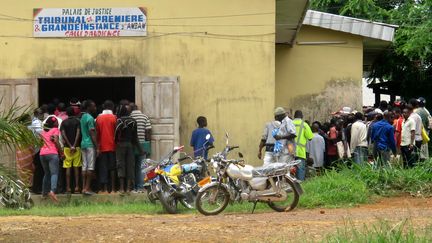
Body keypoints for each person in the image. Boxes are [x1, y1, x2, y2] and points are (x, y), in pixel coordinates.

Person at [115, 104, 144, 194]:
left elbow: (115, 136)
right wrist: (141, 150)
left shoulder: (118, 121)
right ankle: (128, 188)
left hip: (120, 145)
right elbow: (135, 138)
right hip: (130, 146)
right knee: (130, 166)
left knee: (121, 165)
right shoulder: (133, 121)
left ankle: (122, 188)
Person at [96, 100, 117, 194]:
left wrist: (97, 146)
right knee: (112, 168)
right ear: (112, 107)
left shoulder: (98, 118)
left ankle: (103, 189)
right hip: (113, 146)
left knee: (103, 168)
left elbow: (97, 133)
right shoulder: (115, 118)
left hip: (102, 146)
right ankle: (112, 189)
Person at [129, 103, 152, 193]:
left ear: (131, 109)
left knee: (132, 166)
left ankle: (133, 187)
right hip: (143, 145)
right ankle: (141, 186)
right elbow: (148, 131)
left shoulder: (129, 117)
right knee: (142, 166)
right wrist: (148, 144)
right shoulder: (144, 117)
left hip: (132, 145)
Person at [40, 117, 62, 202]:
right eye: (56, 122)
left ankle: (44, 193)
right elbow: (56, 141)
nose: (57, 123)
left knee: (47, 174)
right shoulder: (55, 129)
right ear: (54, 124)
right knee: (54, 173)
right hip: (52, 154)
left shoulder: (42, 132)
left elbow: (40, 142)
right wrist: (61, 153)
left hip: (42, 154)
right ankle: (52, 191)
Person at [60, 107, 82, 194]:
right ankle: (77, 187)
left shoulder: (64, 122)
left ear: (67, 114)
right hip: (76, 148)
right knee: (76, 167)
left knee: (68, 167)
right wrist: (74, 145)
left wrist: (69, 145)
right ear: (74, 113)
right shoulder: (77, 121)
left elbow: (63, 134)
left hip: (67, 148)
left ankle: (68, 188)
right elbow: (78, 133)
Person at [80, 100, 98, 195]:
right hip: (90, 145)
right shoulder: (90, 118)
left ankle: (83, 187)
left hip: (83, 143)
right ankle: (87, 188)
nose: (95, 108)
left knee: (84, 166)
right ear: (88, 107)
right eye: (93, 106)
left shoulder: (82, 117)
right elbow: (92, 133)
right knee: (90, 167)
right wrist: (97, 147)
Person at [292, 110, 313, 181]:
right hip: (300, 151)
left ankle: (289, 187)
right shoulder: (304, 125)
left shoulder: (290, 123)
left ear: (294, 116)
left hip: (290, 151)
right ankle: (300, 187)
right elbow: (310, 138)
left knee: (289, 169)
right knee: (300, 169)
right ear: (302, 116)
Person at [29, 108, 44, 193]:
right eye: (41, 113)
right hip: (39, 148)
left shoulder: (31, 123)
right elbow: (42, 135)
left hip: (34, 148)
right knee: (39, 169)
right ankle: (37, 188)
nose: (42, 115)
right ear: (38, 114)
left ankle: (35, 187)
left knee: (36, 169)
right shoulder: (38, 123)